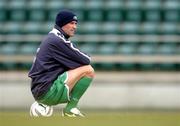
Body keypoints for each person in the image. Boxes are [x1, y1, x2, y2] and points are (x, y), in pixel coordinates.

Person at [28, 10, 95, 117]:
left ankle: (43, 104)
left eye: (76, 24)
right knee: (88, 70)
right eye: (71, 23)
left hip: (40, 88)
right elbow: (86, 59)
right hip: (47, 90)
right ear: (62, 23)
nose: (74, 27)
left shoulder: (51, 38)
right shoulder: (57, 40)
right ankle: (70, 108)